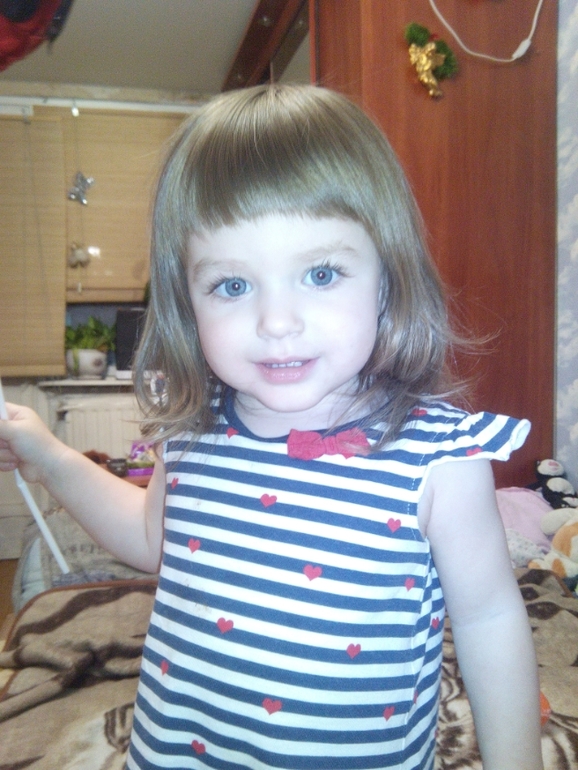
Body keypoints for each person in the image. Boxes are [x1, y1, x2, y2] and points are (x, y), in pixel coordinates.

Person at [0, 84, 543, 770]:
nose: (277, 322)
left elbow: (489, 619)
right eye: (232, 285)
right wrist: (47, 456)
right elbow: (150, 537)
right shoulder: (192, 432)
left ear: (386, 278)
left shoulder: (437, 456)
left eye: (321, 273)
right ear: (187, 301)